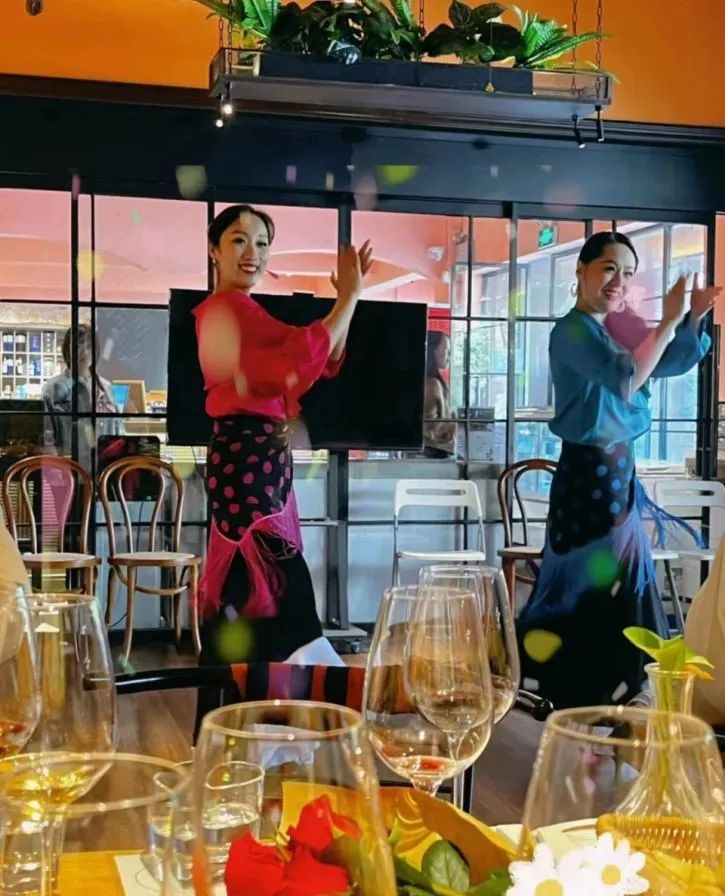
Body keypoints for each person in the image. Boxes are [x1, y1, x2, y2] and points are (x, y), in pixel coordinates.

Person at [517, 231, 721, 709]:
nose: (619, 281)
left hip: (619, 469)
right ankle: (580, 691)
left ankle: (615, 691)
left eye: (627, 273)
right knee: (594, 576)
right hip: (588, 472)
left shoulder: (617, 327)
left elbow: (669, 360)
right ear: (582, 270)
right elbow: (626, 378)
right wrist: (668, 320)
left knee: (619, 578)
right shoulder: (571, 331)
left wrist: (691, 317)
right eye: (609, 268)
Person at [194, 204, 372, 672]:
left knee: (247, 594)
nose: (252, 252)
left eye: (262, 243)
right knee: (282, 594)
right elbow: (299, 360)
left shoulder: (246, 311)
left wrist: (349, 300)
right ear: (214, 250)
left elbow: (321, 354)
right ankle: (324, 690)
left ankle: (234, 701)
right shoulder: (225, 310)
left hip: (257, 463)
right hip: (246, 463)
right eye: (238, 240)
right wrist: (348, 299)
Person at [42, 323, 123, 469]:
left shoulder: (107, 388)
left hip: (104, 471)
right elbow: (48, 439)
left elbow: (119, 433)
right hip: (69, 470)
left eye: (89, 346)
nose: (84, 351)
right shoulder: (53, 389)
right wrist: (57, 473)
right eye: (78, 345)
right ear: (68, 349)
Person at [423, 331, 456, 458]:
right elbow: (433, 427)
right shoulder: (433, 384)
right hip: (433, 451)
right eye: (447, 350)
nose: (449, 356)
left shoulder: (432, 382)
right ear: (433, 351)